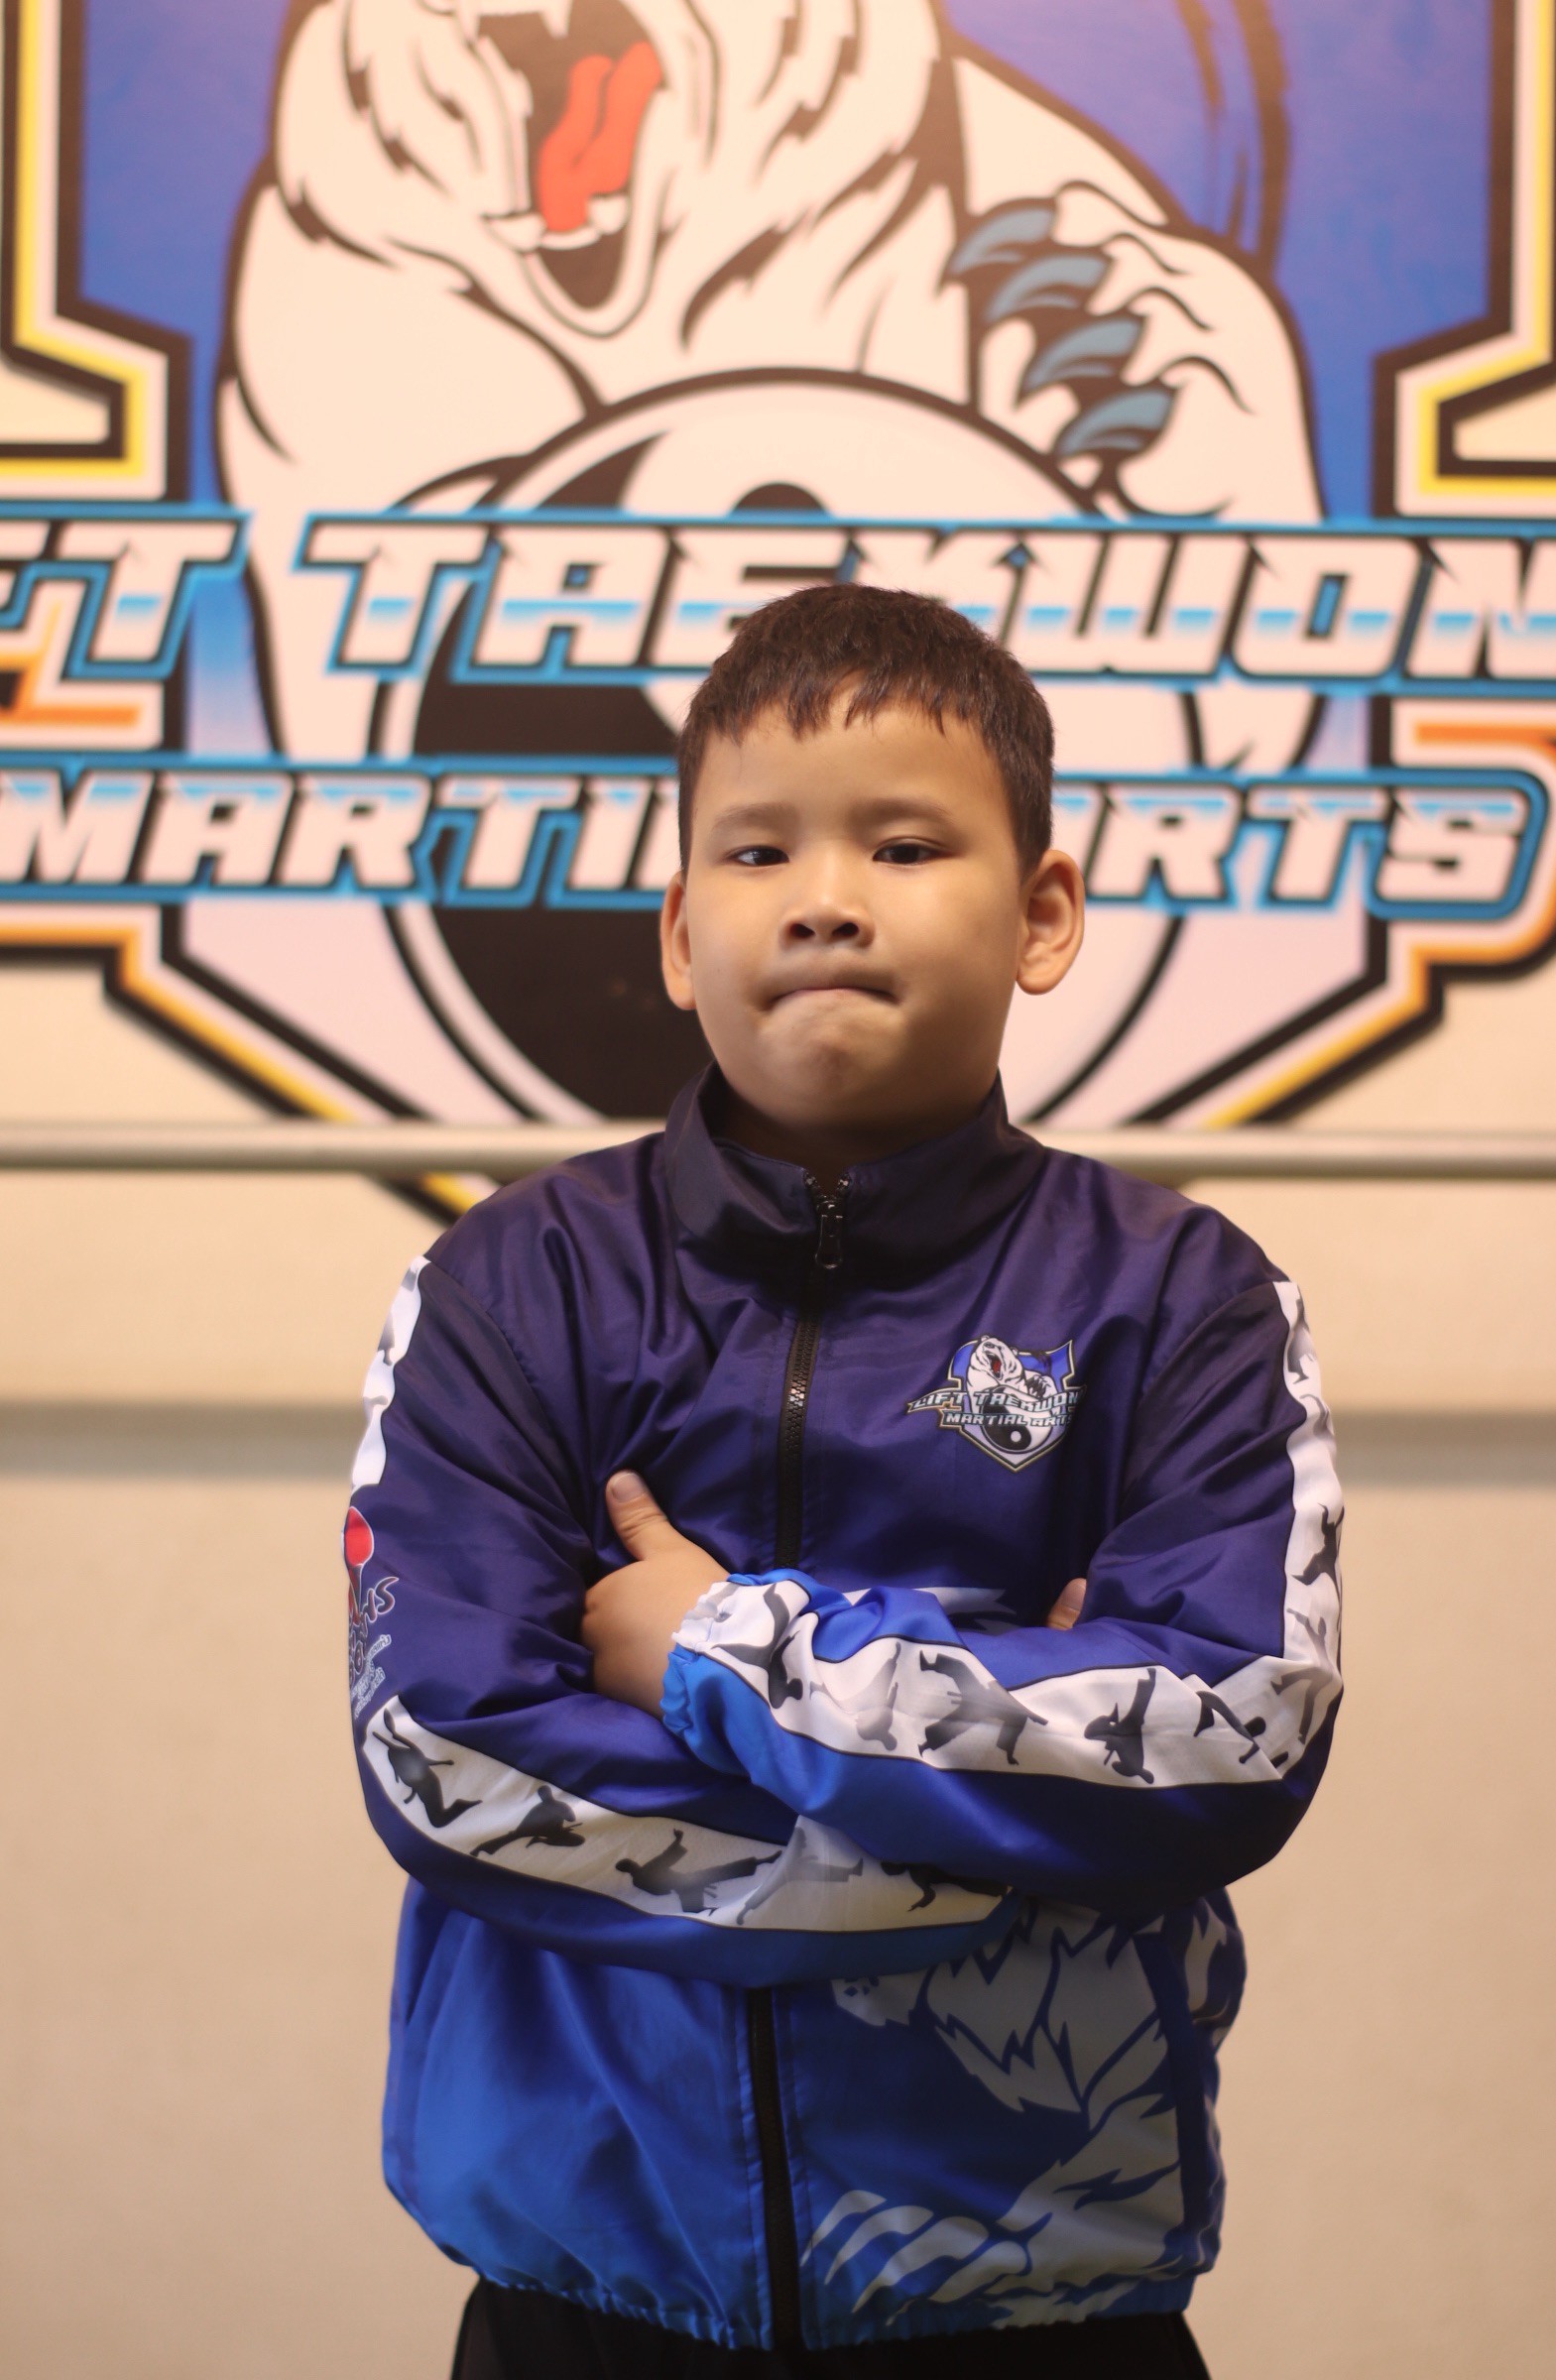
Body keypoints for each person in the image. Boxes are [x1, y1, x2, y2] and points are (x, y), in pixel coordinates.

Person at [347, 585, 1343, 2378]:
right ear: (679, 933)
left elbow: (1227, 1737)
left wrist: (721, 1649)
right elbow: (450, 1752)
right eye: (758, 851)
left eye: (903, 843)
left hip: (1047, 2316)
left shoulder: (1180, 1301)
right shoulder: (514, 1286)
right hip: (587, 2312)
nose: (824, 897)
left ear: (1042, 915)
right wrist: (1006, 1818)